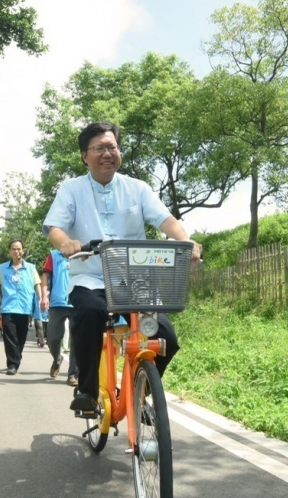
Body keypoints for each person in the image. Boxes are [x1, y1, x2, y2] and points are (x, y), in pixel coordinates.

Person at [43, 121, 202, 414]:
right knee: (89, 314)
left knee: (166, 336)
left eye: (112, 147)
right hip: (90, 277)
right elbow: (55, 227)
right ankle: (88, 390)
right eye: (100, 148)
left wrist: (185, 240)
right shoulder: (71, 189)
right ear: (84, 156)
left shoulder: (137, 188)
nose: (107, 153)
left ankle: (139, 391)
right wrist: (65, 242)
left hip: (136, 281)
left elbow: (166, 220)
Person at [0, 240, 44, 375]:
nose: (16, 252)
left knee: (21, 336)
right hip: (8, 306)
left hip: (24, 307)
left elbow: (37, 284)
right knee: (9, 335)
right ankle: (12, 364)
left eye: (19, 249)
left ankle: (16, 358)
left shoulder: (31, 268)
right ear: (9, 251)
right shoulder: (3, 268)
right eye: (14, 249)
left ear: (23, 250)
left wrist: (41, 299)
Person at [42, 249, 78, 386]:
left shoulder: (82, 251)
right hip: (57, 302)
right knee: (52, 337)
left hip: (77, 301)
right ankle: (57, 358)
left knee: (77, 339)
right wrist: (44, 296)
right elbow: (45, 275)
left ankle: (73, 374)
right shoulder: (54, 255)